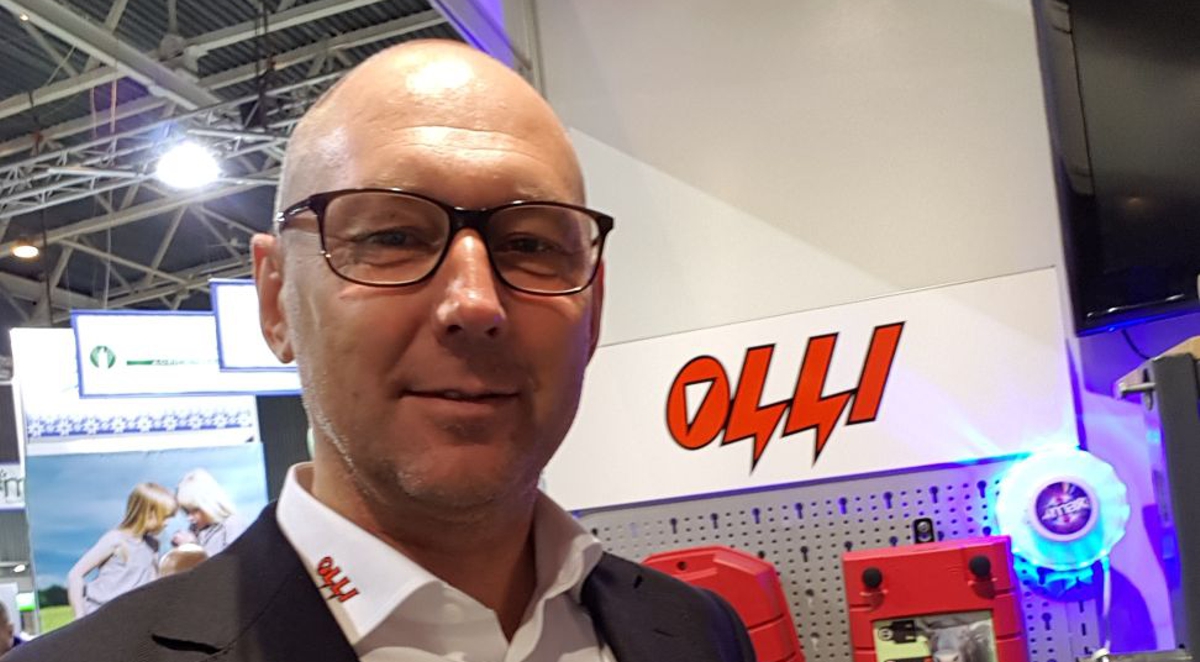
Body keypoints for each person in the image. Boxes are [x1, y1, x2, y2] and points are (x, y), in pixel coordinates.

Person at [10, 40, 755, 662]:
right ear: (275, 301)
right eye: (391, 237)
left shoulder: (696, 633)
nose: (475, 303)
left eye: (530, 246)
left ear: (593, 311)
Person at [66, 483, 176, 618]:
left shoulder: (153, 545)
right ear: (148, 513)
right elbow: (75, 575)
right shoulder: (116, 540)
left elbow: (152, 585)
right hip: (100, 616)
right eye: (165, 517)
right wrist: (80, 616)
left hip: (129, 618)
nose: (167, 523)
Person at [170, 468, 248, 556]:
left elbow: (234, 561)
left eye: (195, 510)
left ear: (209, 505)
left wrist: (192, 547)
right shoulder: (194, 529)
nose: (190, 518)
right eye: (186, 511)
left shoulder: (233, 524)